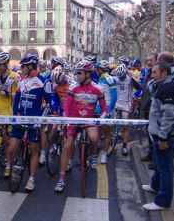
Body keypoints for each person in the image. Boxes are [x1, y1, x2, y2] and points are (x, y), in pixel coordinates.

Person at [55, 60, 107, 193]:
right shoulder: (73, 87)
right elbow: (67, 105)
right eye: (77, 73)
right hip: (74, 120)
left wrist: (101, 119)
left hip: (89, 120)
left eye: (79, 73)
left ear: (88, 74)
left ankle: (93, 154)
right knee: (67, 147)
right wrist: (67, 119)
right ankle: (61, 178)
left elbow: (104, 108)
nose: (77, 75)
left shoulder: (98, 89)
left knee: (94, 137)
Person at [6, 54, 52, 191]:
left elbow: (49, 104)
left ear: (31, 66)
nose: (21, 68)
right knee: (10, 148)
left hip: (34, 121)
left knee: (33, 150)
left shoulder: (44, 81)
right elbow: (16, 101)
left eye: (23, 66)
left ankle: (31, 179)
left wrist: (40, 119)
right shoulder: (22, 80)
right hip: (20, 119)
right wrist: (15, 116)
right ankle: (13, 167)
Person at [142, 62, 174, 211]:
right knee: (159, 163)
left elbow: (169, 116)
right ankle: (155, 185)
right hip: (159, 133)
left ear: (164, 73)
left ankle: (162, 201)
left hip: (165, 135)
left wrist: (163, 137)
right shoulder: (163, 87)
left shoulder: (167, 89)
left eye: (154, 72)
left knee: (165, 168)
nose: (152, 75)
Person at [95, 60, 117, 162]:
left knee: (108, 133)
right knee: (98, 131)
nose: (95, 71)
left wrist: (109, 109)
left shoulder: (110, 78)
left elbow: (114, 96)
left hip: (108, 108)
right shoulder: (101, 78)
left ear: (100, 69)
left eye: (96, 69)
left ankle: (104, 154)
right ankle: (97, 150)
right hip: (100, 108)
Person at [140, 53, 157, 164]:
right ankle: (151, 154)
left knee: (153, 134)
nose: (149, 62)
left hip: (153, 109)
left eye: (151, 60)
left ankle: (154, 158)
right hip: (146, 107)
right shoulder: (148, 73)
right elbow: (144, 89)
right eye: (147, 60)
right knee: (149, 133)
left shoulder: (157, 74)